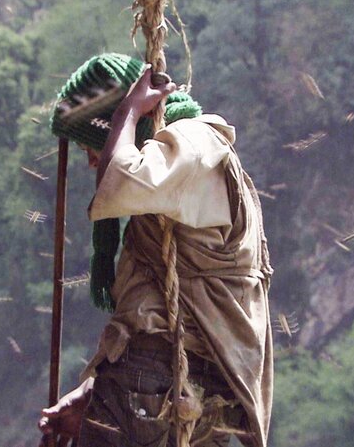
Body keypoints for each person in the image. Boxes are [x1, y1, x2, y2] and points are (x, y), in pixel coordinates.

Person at [40, 53, 273, 447]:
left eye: (90, 146)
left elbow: (118, 180)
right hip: (194, 388)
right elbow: (153, 301)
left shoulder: (194, 144)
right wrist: (97, 391)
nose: (92, 161)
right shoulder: (178, 169)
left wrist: (126, 114)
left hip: (162, 380)